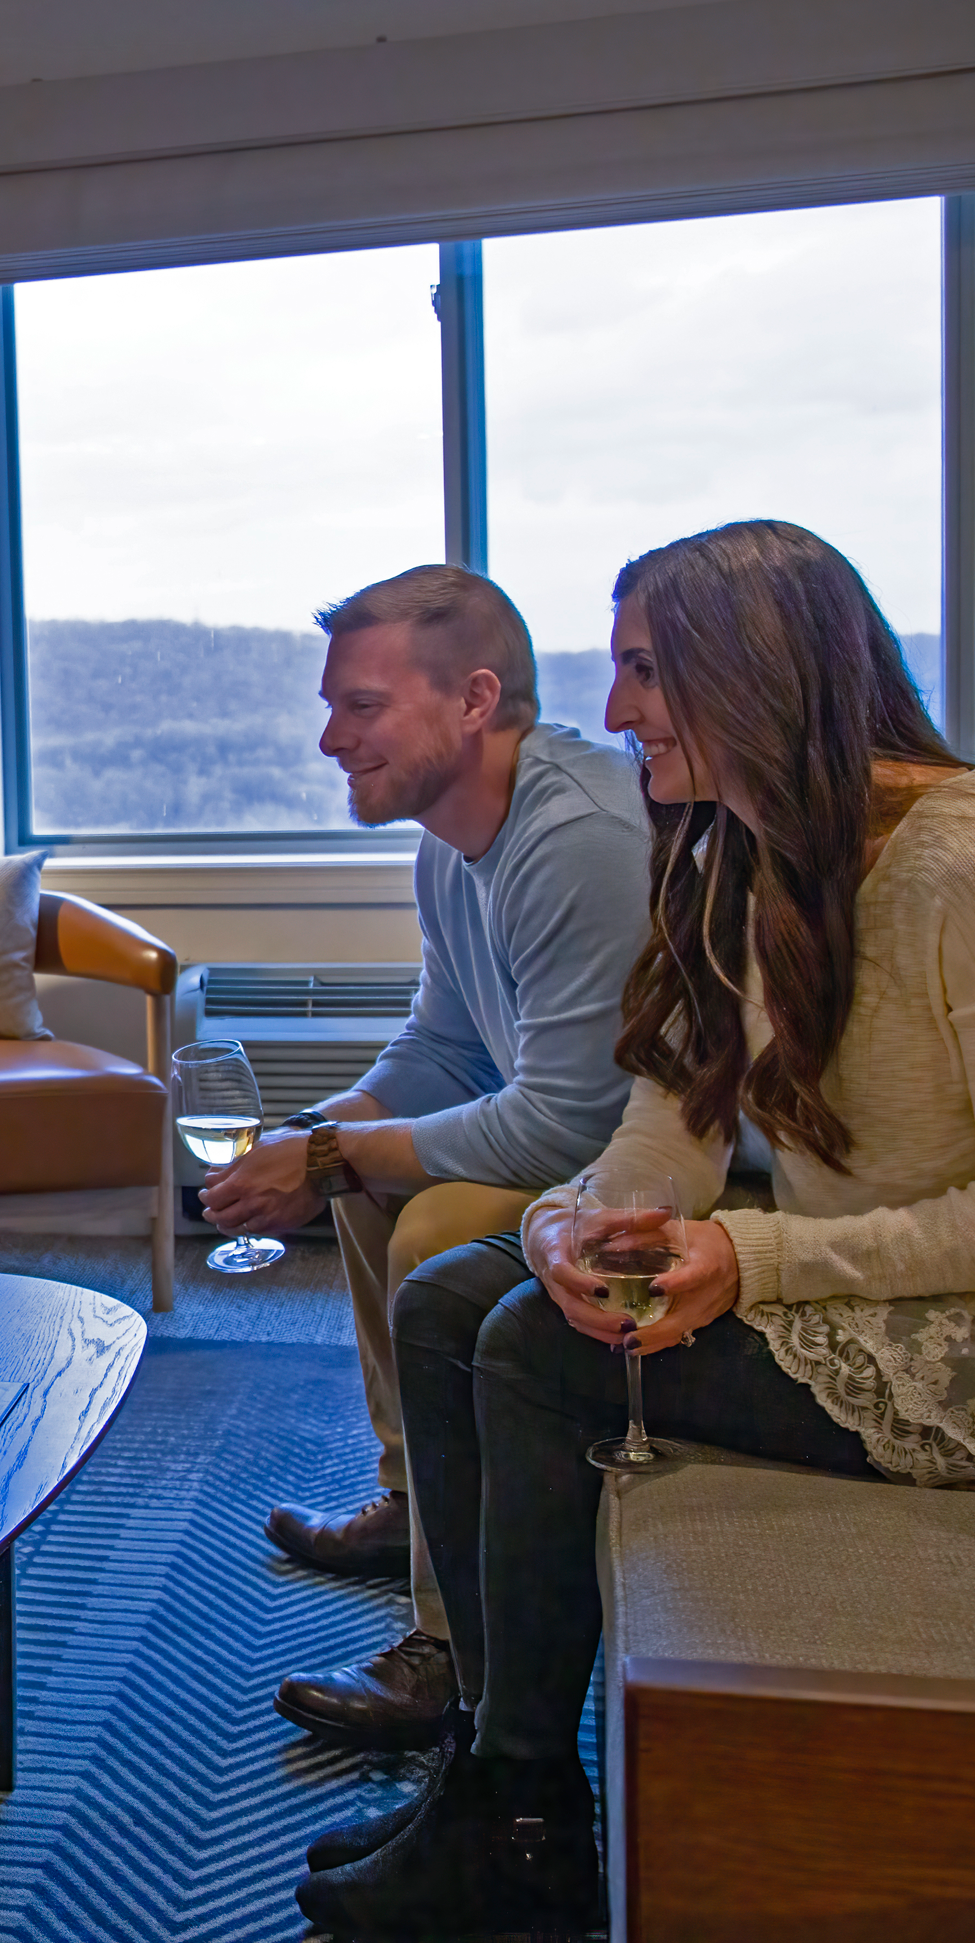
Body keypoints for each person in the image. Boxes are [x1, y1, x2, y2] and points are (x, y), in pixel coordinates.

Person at [298, 520, 975, 1938]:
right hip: (878, 1282)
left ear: (754, 674)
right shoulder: (723, 850)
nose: (618, 705)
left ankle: (522, 1816)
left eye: (646, 669)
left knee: (531, 1355)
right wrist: (571, 1227)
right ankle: (476, 1734)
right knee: (460, 1294)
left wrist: (757, 1257)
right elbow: (668, 1127)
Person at [203, 565, 652, 1749]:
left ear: (474, 699)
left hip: (665, 1166)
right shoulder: (449, 844)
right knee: (360, 1167)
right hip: (577, 1136)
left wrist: (337, 1151)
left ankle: (453, 1641)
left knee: (430, 1221)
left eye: (361, 707)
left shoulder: (580, 840)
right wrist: (321, 1133)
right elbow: (446, 1042)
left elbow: (572, 1123)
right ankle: (417, 1501)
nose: (327, 738)